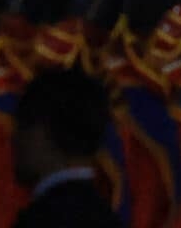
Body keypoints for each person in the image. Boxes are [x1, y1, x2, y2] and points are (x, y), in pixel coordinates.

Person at [11, 67, 123, 228]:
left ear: (40, 132)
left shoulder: (38, 221)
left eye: (21, 127)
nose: (14, 140)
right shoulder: (109, 219)